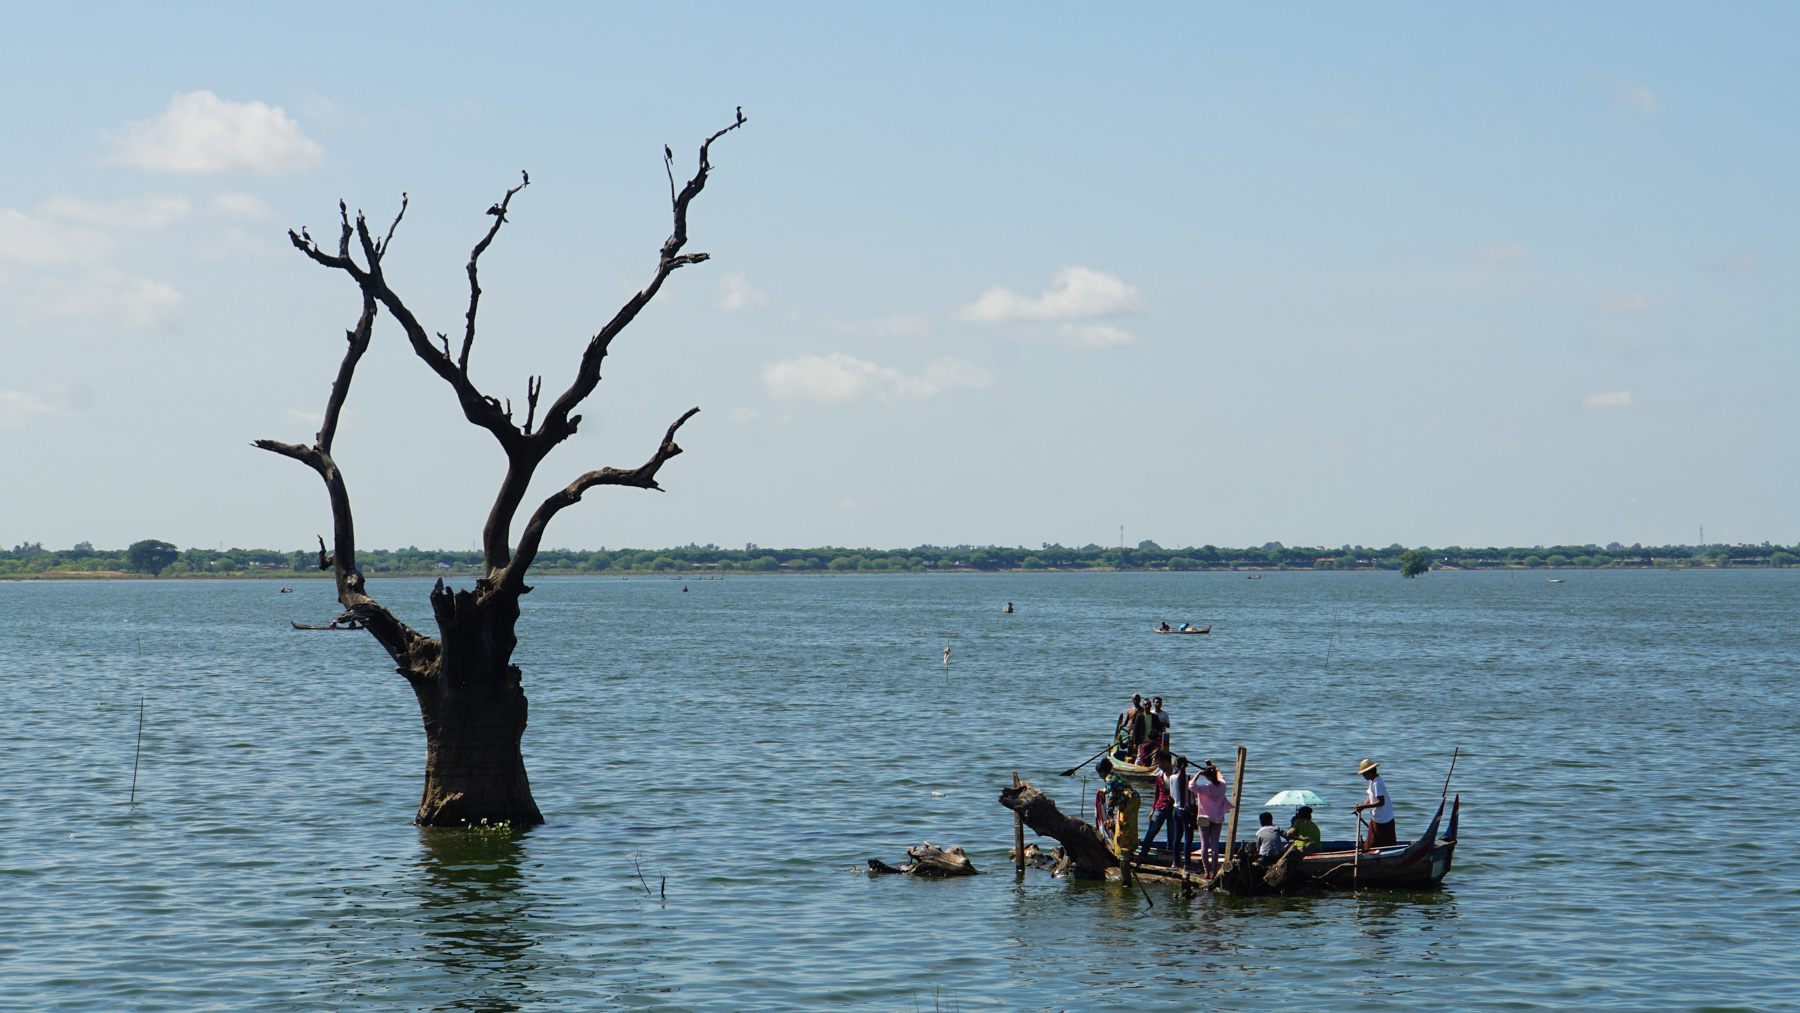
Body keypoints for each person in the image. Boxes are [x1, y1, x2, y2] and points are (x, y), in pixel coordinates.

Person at [1135, 752, 1180, 865]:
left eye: (1159, 763)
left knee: (1172, 835)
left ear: (1166, 762)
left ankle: (1170, 857)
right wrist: (1152, 809)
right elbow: (1157, 794)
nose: (1158, 765)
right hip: (1160, 807)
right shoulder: (1160, 776)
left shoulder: (1178, 775)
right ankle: (1143, 854)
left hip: (1174, 809)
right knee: (1151, 832)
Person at [1191, 760, 1233, 876]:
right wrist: (1213, 766)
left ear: (1207, 777)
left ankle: (1206, 871)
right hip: (1217, 818)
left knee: (1204, 845)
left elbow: (1191, 786)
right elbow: (1221, 775)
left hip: (1204, 818)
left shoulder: (1206, 788)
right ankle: (1214, 872)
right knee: (1215, 846)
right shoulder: (1223, 786)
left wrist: (1198, 775)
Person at [1095, 757, 1140, 857]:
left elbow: (1111, 793)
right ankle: (1131, 847)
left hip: (1128, 802)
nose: (1099, 776)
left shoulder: (1109, 779)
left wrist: (1109, 810)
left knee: (1123, 827)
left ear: (1102, 772)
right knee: (1130, 825)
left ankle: (1123, 852)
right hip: (1134, 799)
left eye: (1099, 773)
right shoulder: (1115, 776)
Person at [1353, 758, 1397, 847]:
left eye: (1364, 774)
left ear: (1369, 772)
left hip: (1384, 819)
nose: (1363, 776)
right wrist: (1363, 806)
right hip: (1376, 817)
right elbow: (1370, 796)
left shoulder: (1377, 783)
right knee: (1370, 843)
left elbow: (1381, 802)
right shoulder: (1372, 781)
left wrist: (1364, 807)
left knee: (1384, 844)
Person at [1167, 754, 1196, 869]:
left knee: (1178, 836)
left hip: (1176, 810)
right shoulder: (1190, 778)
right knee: (1188, 838)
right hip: (1187, 811)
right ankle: (1187, 864)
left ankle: (1176, 862)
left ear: (1176, 766)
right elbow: (1195, 795)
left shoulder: (1172, 778)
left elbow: (1172, 794)